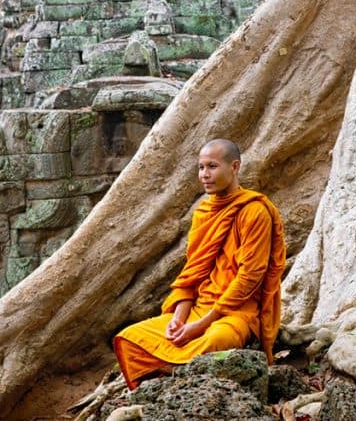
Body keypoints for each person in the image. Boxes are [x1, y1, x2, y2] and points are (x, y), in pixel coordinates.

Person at [113, 138, 286, 389]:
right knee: (130, 338)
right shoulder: (203, 212)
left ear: (234, 167)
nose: (204, 174)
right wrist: (180, 320)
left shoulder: (255, 211)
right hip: (197, 308)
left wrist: (200, 326)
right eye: (201, 167)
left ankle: (173, 372)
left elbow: (250, 276)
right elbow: (191, 274)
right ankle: (177, 373)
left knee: (217, 338)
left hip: (235, 313)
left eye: (212, 166)